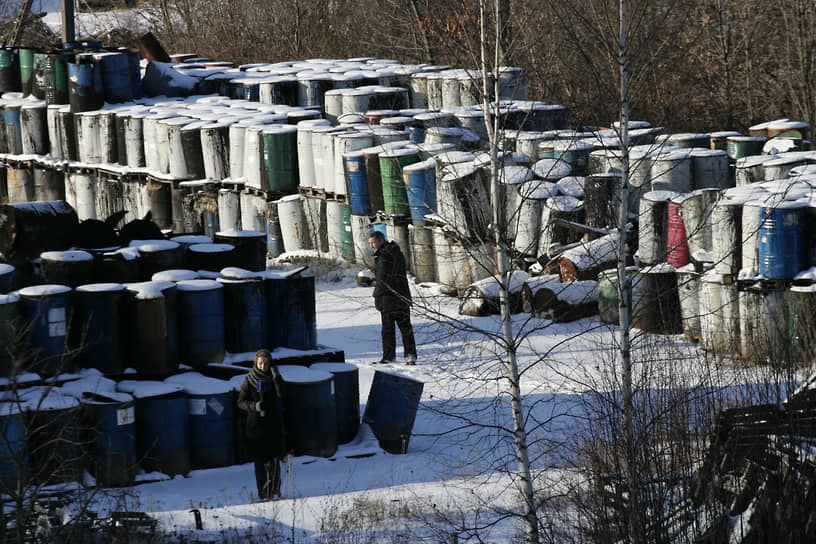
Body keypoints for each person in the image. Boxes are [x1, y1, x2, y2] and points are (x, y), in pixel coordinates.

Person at [237, 349, 287, 500]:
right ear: (256, 363)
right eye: (260, 363)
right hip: (255, 428)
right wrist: (255, 406)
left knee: (273, 461)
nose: (263, 366)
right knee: (259, 463)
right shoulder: (250, 380)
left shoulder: (274, 378)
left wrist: (276, 376)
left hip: (272, 425)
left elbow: (283, 394)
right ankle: (263, 493)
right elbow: (241, 402)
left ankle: (275, 491)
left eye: (266, 363)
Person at [368, 230, 417, 365]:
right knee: (406, 328)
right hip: (403, 296)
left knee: (388, 330)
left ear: (380, 240)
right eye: (370, 243)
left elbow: (383, 280)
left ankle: (389, 357)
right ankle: (410, 356)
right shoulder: (396, 252)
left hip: (389, 299)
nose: (371, 246)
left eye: (373, 243)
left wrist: (376, 296)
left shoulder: (383, 256)